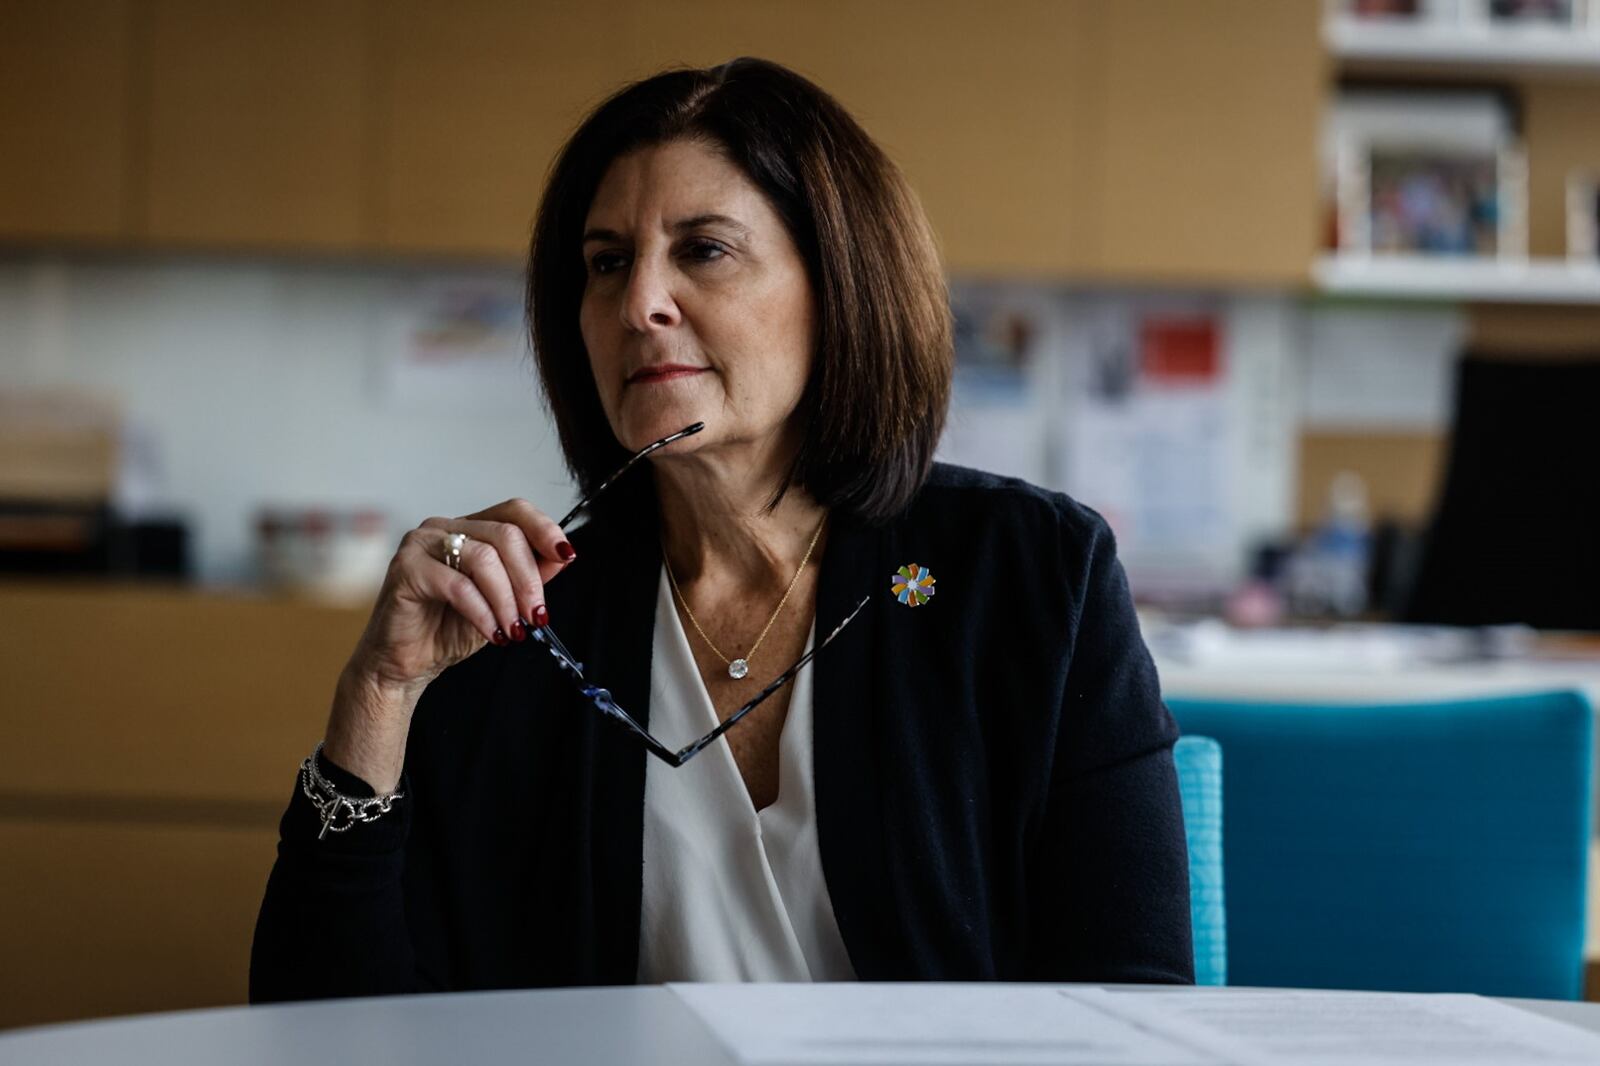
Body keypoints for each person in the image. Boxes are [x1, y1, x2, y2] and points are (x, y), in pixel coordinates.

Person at [249, 56, 1192, 1001]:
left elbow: (1131, 1002)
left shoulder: (1031, 574)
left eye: (703, 249)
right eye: (607, 262)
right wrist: (380, 693)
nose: (638, 303)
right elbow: (323, 1025)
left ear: (840, 286)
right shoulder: (514, 613)